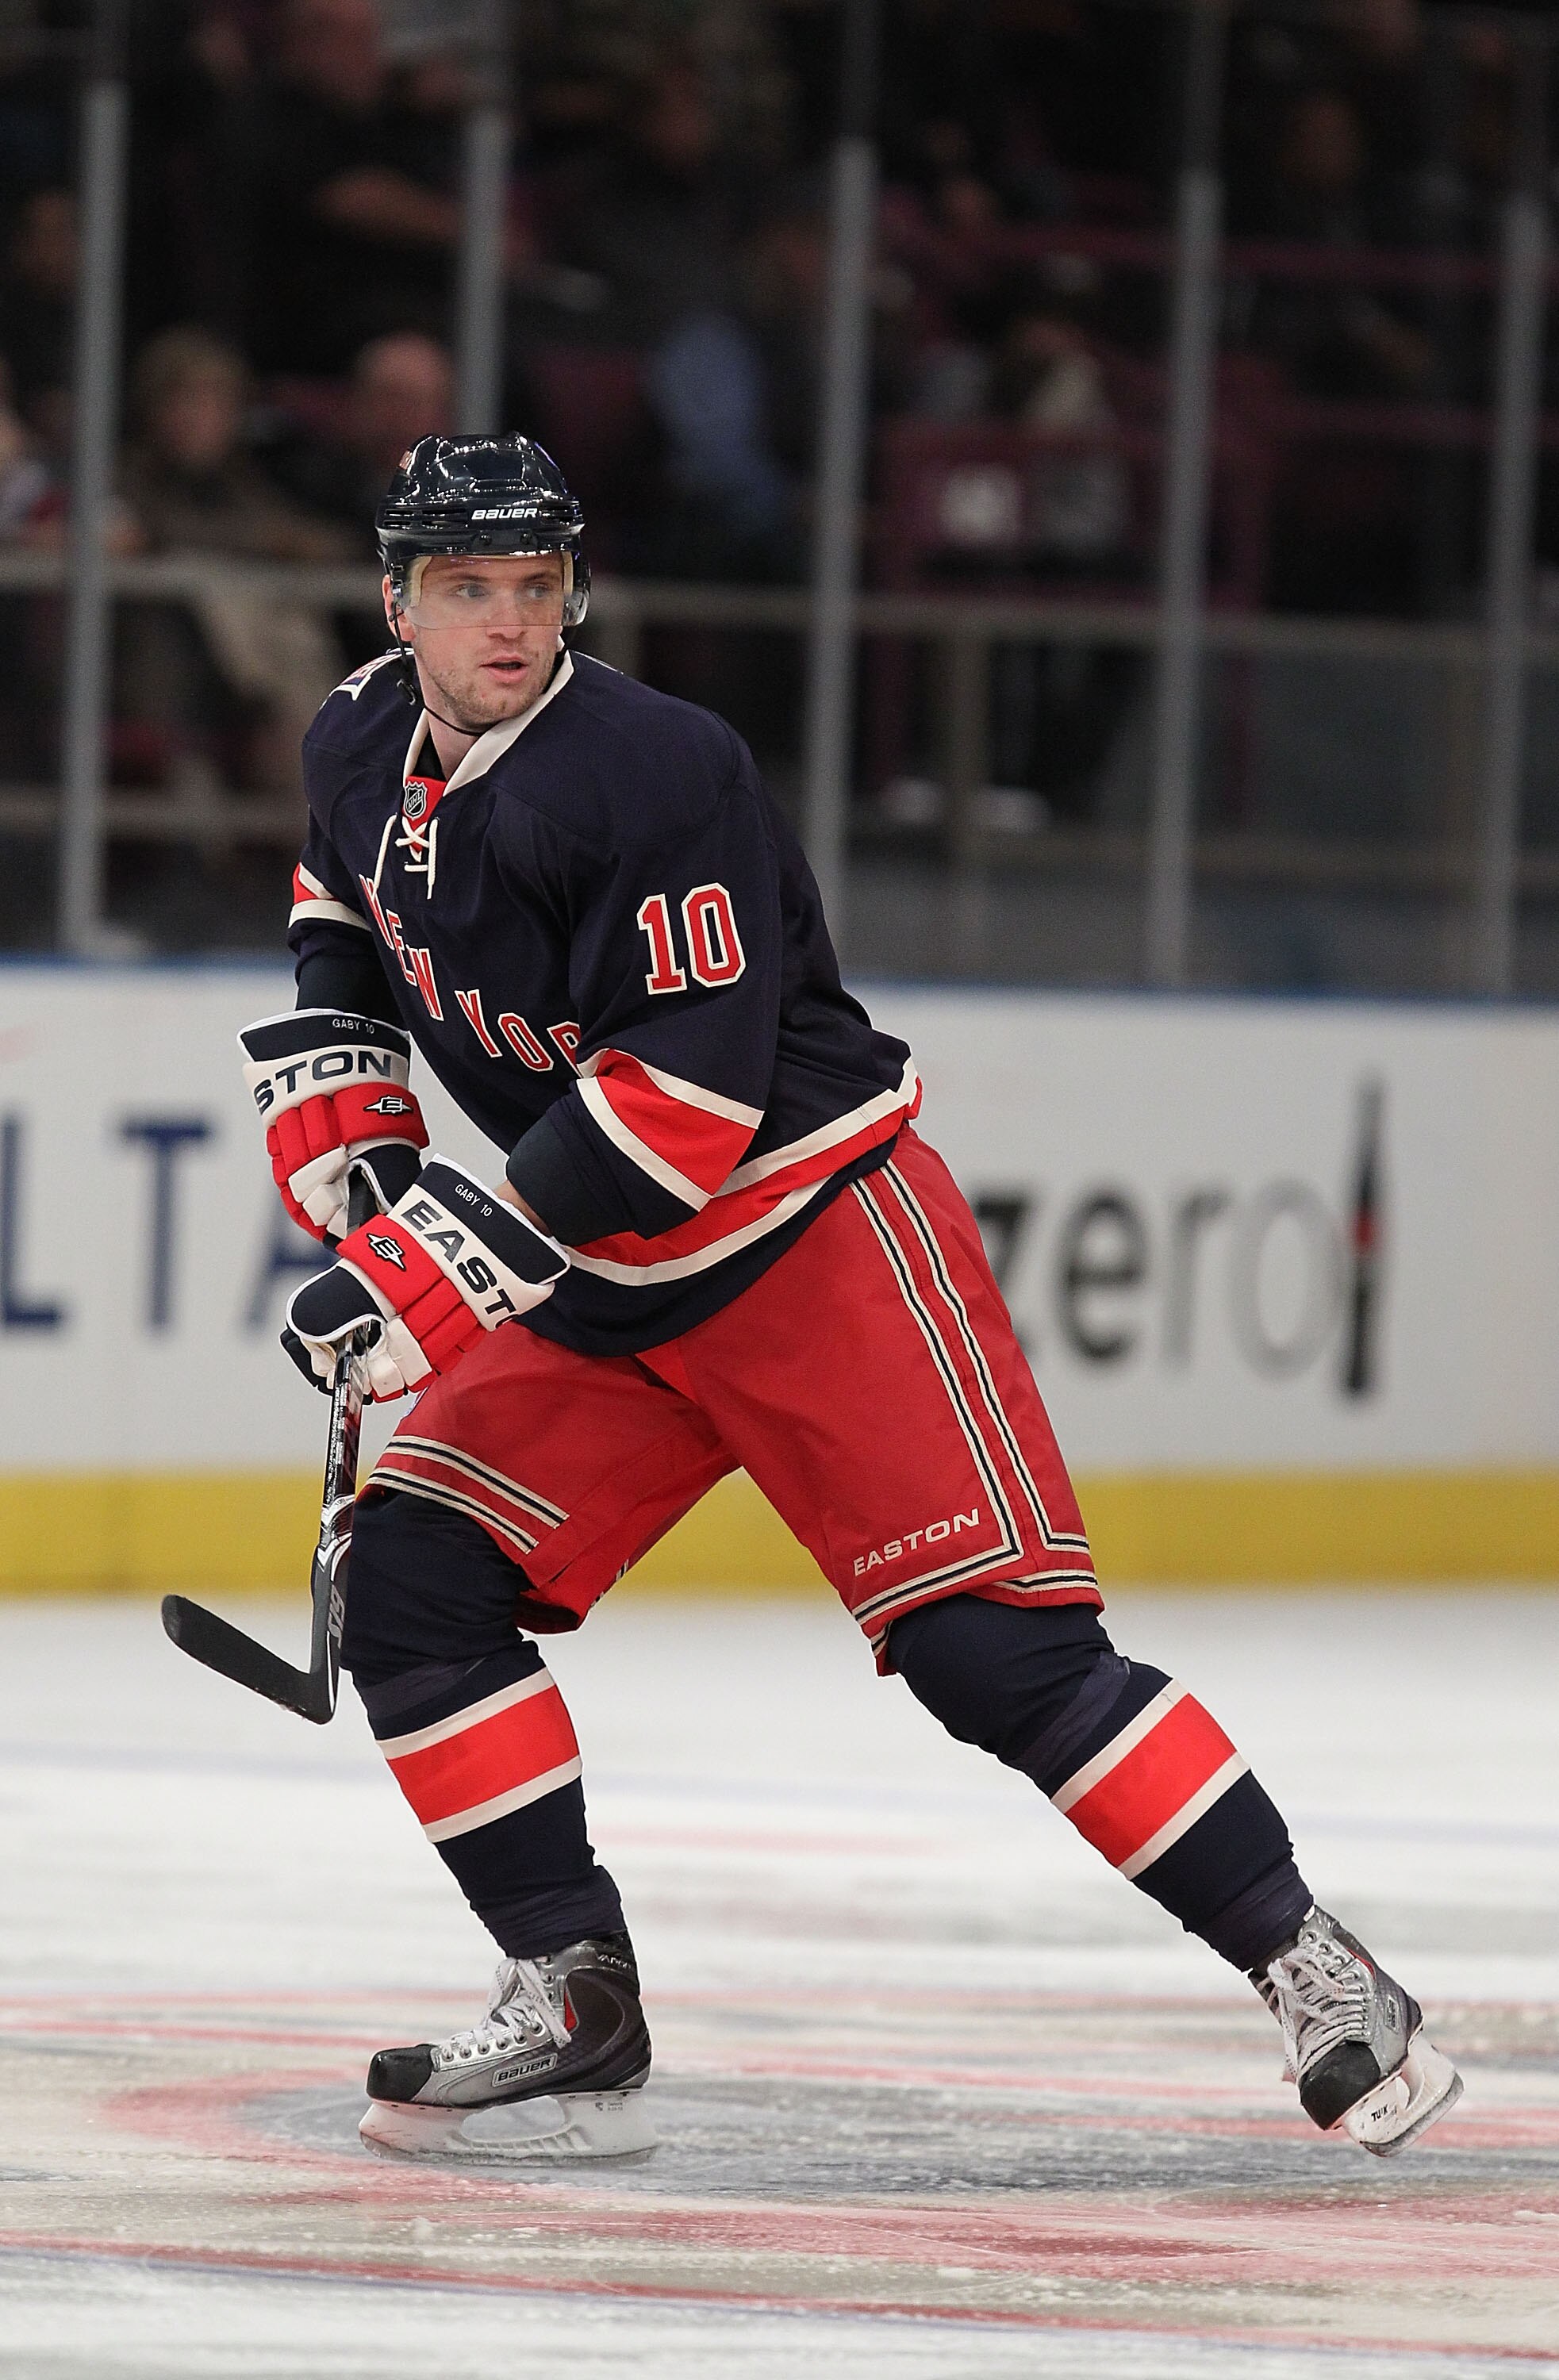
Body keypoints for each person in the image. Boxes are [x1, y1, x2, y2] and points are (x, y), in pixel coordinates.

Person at [238, 432, 1463, 2167]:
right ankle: (570, 1990)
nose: (505, 626)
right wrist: (353, 1112)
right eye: (464, 590)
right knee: (415, 1586)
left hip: (808, 1236)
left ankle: (1315, 1965)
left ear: (569, 589)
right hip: (600, 1275)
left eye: (532, 588)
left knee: (996, 1660)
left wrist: (430, 1267)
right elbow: (341, 899)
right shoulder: (359, 731)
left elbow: (683, 1105)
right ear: (397, 601)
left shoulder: (659, 772)